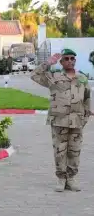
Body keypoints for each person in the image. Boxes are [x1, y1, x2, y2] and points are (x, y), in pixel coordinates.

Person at [30, 49, 91, 192]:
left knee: (74, 151)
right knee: (60, 151)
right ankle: (61, 179)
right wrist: (47, 63)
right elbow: (34, 75)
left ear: (75, 60)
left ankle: (71, 179)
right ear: (61, 62)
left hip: (77, 121)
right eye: (66, 59)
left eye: (72, 58)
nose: (70, 61)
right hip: (59, 121)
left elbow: (87, 98)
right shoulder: (54, 77)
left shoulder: (82, 78)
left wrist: (86, 117)